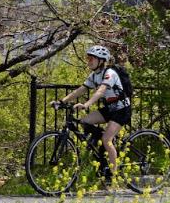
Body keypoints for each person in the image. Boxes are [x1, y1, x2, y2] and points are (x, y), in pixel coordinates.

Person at [50, 45, 131, 180]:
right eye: (88, 58)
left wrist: (86, 105)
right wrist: (61, 101)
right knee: (84, 122)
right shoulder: (94, 75)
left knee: (107, 139)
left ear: (100, 60)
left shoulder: (109, 73)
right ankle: (102, 149)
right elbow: (79, 91)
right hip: (109, 108)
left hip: (122, 109)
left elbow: (100, 91)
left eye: (91, 58)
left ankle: (114, 175)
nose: (89, 61)